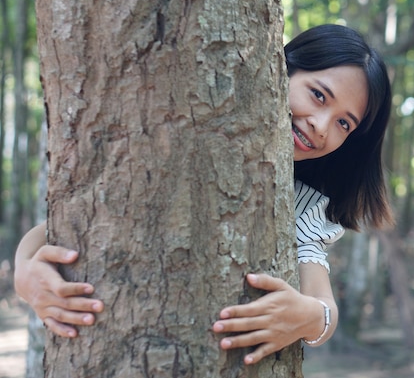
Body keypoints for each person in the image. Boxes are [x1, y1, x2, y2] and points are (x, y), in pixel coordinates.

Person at [14, 24, 394, 365]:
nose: (321, 125)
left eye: (344, 122)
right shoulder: (191, 133)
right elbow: (58, 229)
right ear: (282, 69)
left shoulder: (302, 205)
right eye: (318, 95)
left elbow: (323, 301)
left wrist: (311, 317)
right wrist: (24, 275)